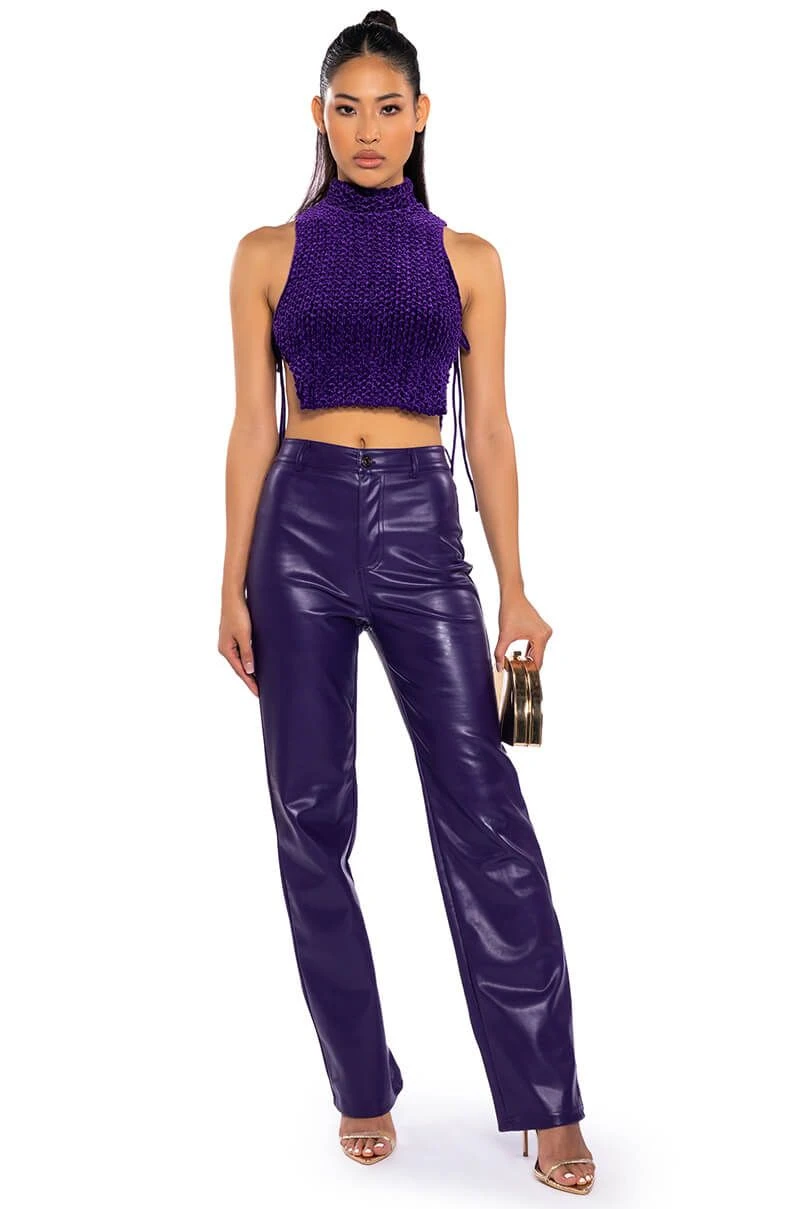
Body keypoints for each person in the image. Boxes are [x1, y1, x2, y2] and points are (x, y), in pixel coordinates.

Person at [218, 10, 596, 1195]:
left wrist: (515, 585)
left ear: (421, 117)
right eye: (347, 108)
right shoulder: (266, 253)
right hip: (298, 528)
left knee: (484, 805)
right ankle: (360, 1083)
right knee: (308, 810)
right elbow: (250, 426)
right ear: (317, 117)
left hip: (425, 532)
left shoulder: (467, 258)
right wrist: (229, 579)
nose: (368, 129)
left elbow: (489, 432)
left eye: (389, 108)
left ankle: (546, 1100)